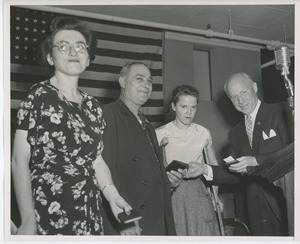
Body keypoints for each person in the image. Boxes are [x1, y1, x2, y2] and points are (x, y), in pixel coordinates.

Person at [11, 16, 134, 235]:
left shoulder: (94, 106)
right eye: (63, 46)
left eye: (80, 47)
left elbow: (96, 160)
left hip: (89, 210)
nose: (73, 52)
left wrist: (113, 197)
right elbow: (20, 159)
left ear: (88, 59)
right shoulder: (38, 96)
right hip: (48, 208)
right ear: (50, 57)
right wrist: (28, 218)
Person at [101, 61, 177, 235]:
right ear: (122, 82)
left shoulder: (147, 124)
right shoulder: (108, 114)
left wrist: (167, 180)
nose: (146, 85)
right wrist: (125, 218)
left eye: (149, 81)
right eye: (139, 79)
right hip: (132, 219)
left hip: (157, 217)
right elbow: (108, 173)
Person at [223, 72, 293, 236]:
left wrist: (255, 160)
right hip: (254, 206)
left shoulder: (281, 110)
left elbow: (293, 151)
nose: (240, 100)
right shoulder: (234, 133)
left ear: (254, 87)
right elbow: (234, 174)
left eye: (244, 92)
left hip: (284, 197)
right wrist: (206, 170)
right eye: (234, 97)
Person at [155, 85, 223, 236]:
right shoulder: (160, 134)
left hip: (198, 192)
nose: (189, 112)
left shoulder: (203, 133)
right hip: (173, 193)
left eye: (193, 107)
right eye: (184, 106)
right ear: (173, 106)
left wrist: (215, 195)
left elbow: (213, 166)